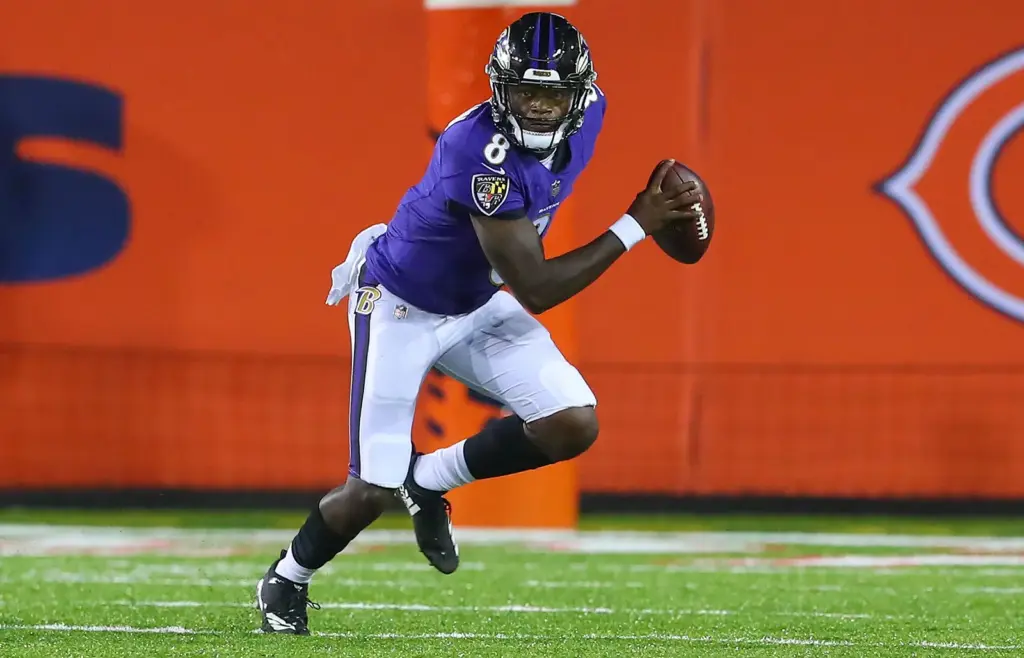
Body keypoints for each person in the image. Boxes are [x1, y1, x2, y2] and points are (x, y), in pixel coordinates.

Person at [256, 11, 701, 635]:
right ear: (499, 88)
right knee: (368, 491)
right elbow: (540, 287)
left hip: (478, 297)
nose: (540, 107)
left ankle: (428, 476)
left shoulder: (593, 109)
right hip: (402, 306)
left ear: (580, 93)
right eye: (526, 92)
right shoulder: (480, 154)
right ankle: (286, 578)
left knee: (571, 422)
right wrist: (636, 225)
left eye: (553, 93)